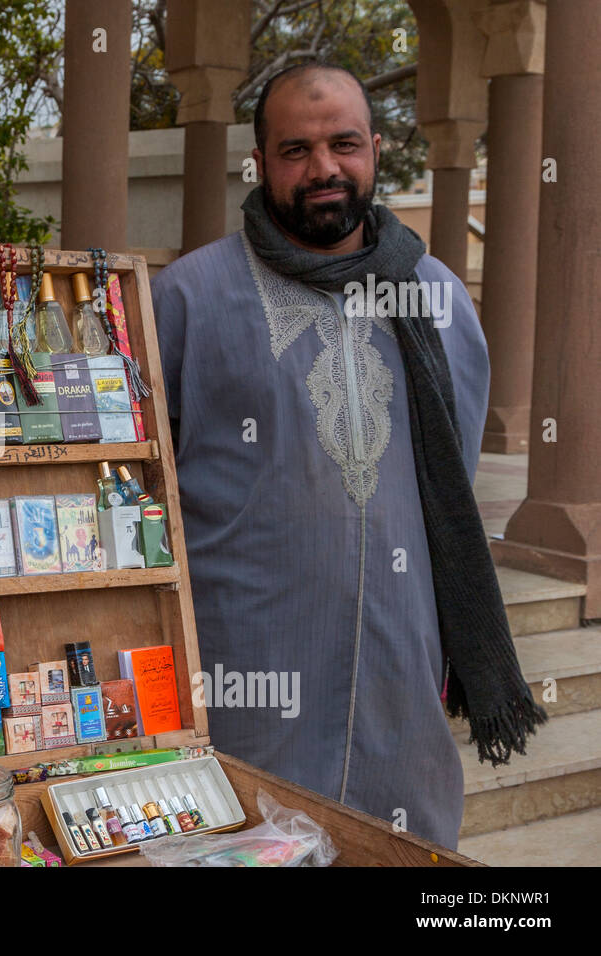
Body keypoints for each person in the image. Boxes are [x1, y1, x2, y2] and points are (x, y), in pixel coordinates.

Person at [151, 62, 544, 849]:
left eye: (345, 145)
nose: (324, 168)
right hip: (246, 680)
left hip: (401, 683)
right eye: (296, 150)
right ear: (258, 164)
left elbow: (450, 501)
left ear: (374, 153)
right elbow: (144, 501)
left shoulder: (435, 300)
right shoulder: (188, 299)